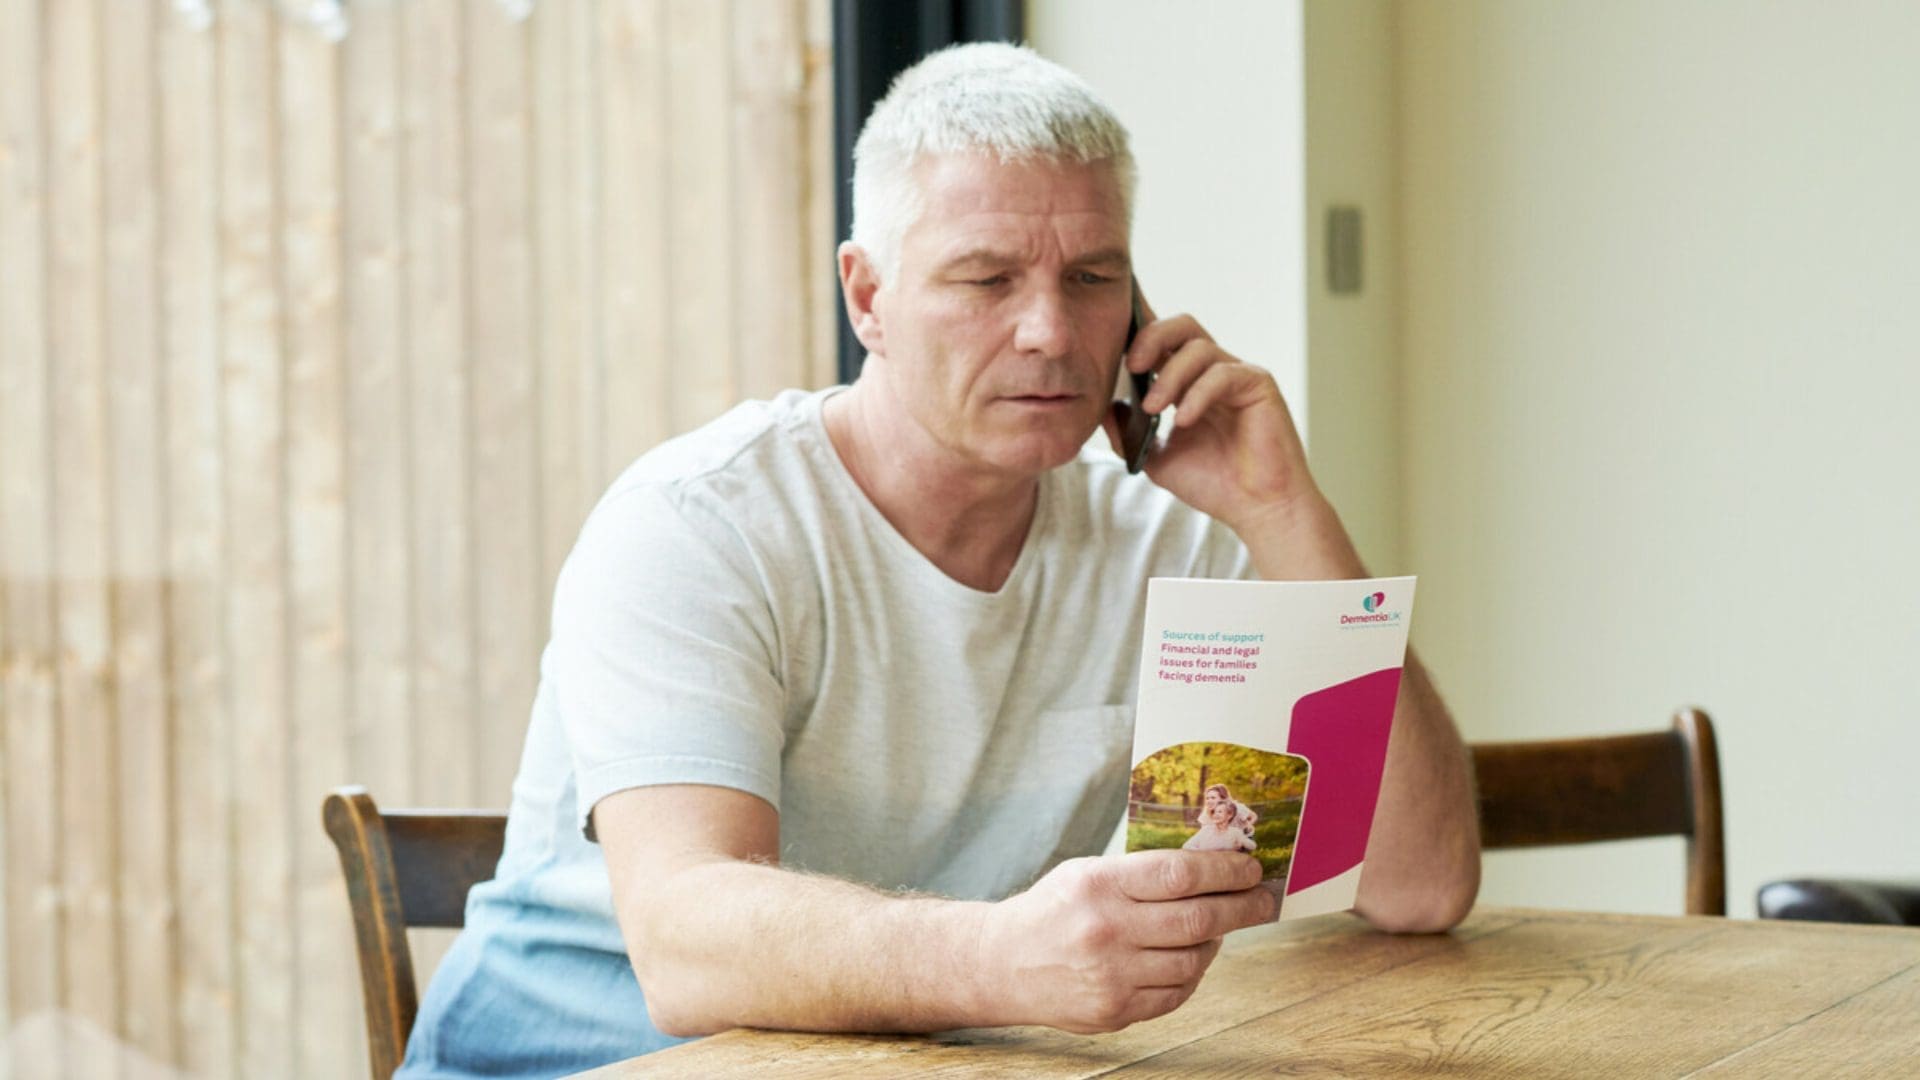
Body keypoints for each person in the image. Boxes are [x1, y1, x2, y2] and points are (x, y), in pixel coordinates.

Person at [397, 42, 1479, 1078]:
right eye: (987, 279)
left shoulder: (1169, 528)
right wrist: (1010, 958)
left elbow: (1417, 885)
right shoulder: (697, 525)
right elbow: (685, 942)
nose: (1052, 332)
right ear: (868, 297)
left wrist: (1287, 512)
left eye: (1094, 276)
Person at [1183, 787, 1258, 853]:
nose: (1209, 801)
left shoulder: (1237, 808)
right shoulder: (1206, 812)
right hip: (1222, 835)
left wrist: (1249, 825)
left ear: (1223, 799)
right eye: (1207, 798)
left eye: (1213, 798)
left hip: (1243, 834)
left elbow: (1253, 816)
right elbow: (1205, 834)